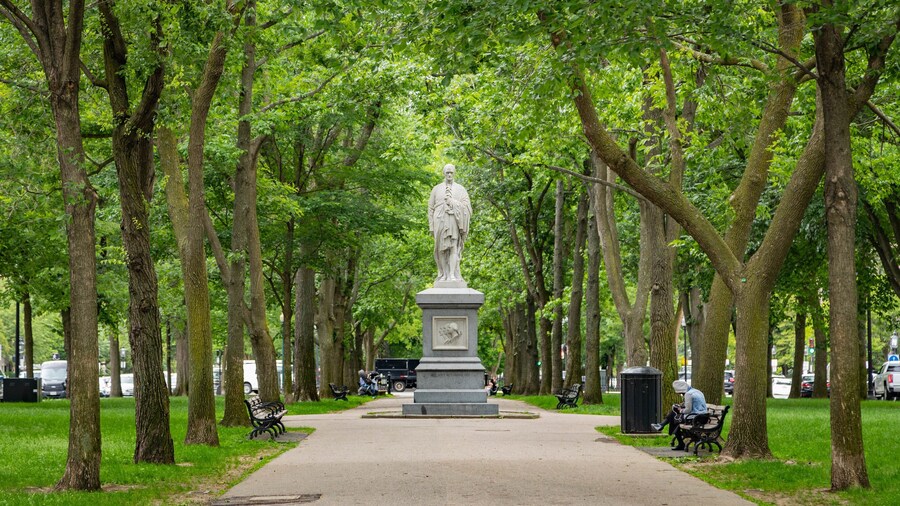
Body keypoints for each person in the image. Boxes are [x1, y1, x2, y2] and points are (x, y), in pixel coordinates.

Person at [428, 163, 472, 283]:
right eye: (447, 172)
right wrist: (431, 226)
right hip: (439, 221)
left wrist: (453, 202)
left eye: (451, 172)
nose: (449, 175)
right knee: (441, 248)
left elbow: (467, 207)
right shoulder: (436, 189)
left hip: (454, 220)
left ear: (454, 173)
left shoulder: (461, 189)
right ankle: (444, 274)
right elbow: (430, 208)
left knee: (453, 246)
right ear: (444, 173)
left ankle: (452, 274)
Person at [651, 380, 708, 450]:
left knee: (674, 418)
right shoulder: (697, 391)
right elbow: (695, 405)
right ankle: (662, 425)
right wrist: (682, 406)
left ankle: (662, 425)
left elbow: (688, 410)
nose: (681, 395)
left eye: (681, 393)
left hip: (696, 418)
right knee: (674, 416)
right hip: (704, 417)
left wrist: (680, 410)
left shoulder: (688, 394)